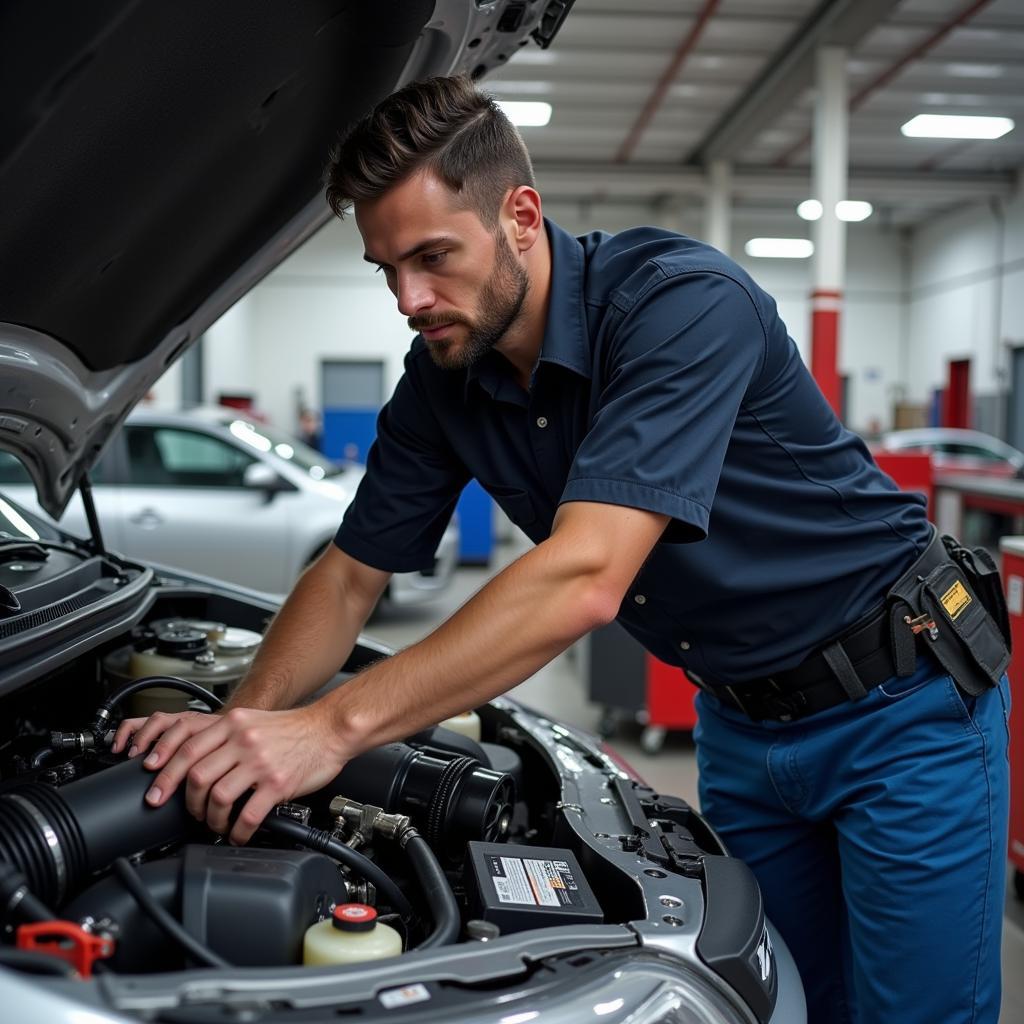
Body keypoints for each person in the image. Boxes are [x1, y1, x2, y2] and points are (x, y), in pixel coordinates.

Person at [112, 76, 1010, 1023]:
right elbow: (347, 576)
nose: (409, 299)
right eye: (386, 269)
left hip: (901, 706)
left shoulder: (681, 305)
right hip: (745, 727)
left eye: (432, 257)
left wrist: (328, 728)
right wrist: (238, 732)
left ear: (522, 215)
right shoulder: (443, 380)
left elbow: (587, 574)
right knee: (780, 1004)